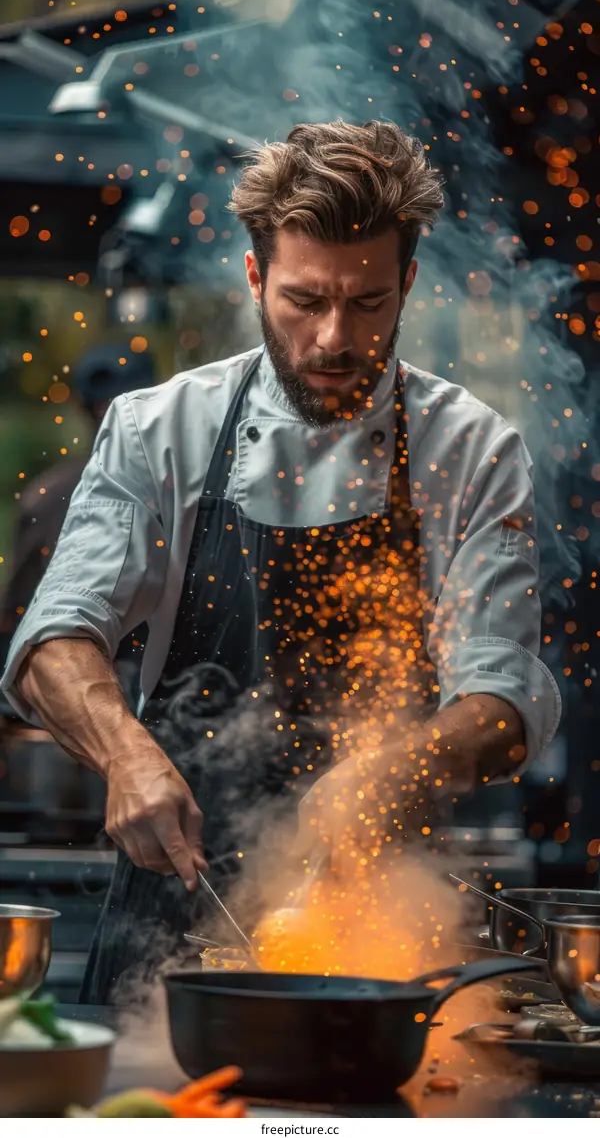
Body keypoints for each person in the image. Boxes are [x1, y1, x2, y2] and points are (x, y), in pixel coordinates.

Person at [0, 121, 560, 1001]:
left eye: (369, 303)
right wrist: (125, 754)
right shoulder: (159, 430)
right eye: (305, 300)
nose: (335, 338)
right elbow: (55, 641)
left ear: (407, 282)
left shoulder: (473, 450)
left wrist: (390, 771)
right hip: (169, 913)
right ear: (256, 278)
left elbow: (499, 696)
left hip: (380, 925)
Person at [0, 342, 157, 715]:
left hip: (75, 701)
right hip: (137, 701)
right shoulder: (190, 488)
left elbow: (17, 613)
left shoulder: (46, 493)